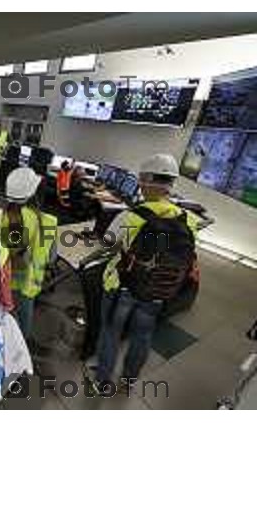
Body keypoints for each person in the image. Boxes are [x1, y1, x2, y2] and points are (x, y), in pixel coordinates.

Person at [90, 154, 199, 394]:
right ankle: (128, 381)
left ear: (149, 179)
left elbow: (106, 246)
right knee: (143, 335)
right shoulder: (188, 220)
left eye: (141, 178)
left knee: (111, 332)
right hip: (159, 290)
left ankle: (102, 381)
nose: (139, 183)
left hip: (123, 288)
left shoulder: (132, 216)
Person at [0, 167, 58, 340]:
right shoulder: (49, 222)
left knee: (0, 322)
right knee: (23, 326)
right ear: (33, 193)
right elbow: (52, 259)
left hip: (1, 283)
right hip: (28, 285)